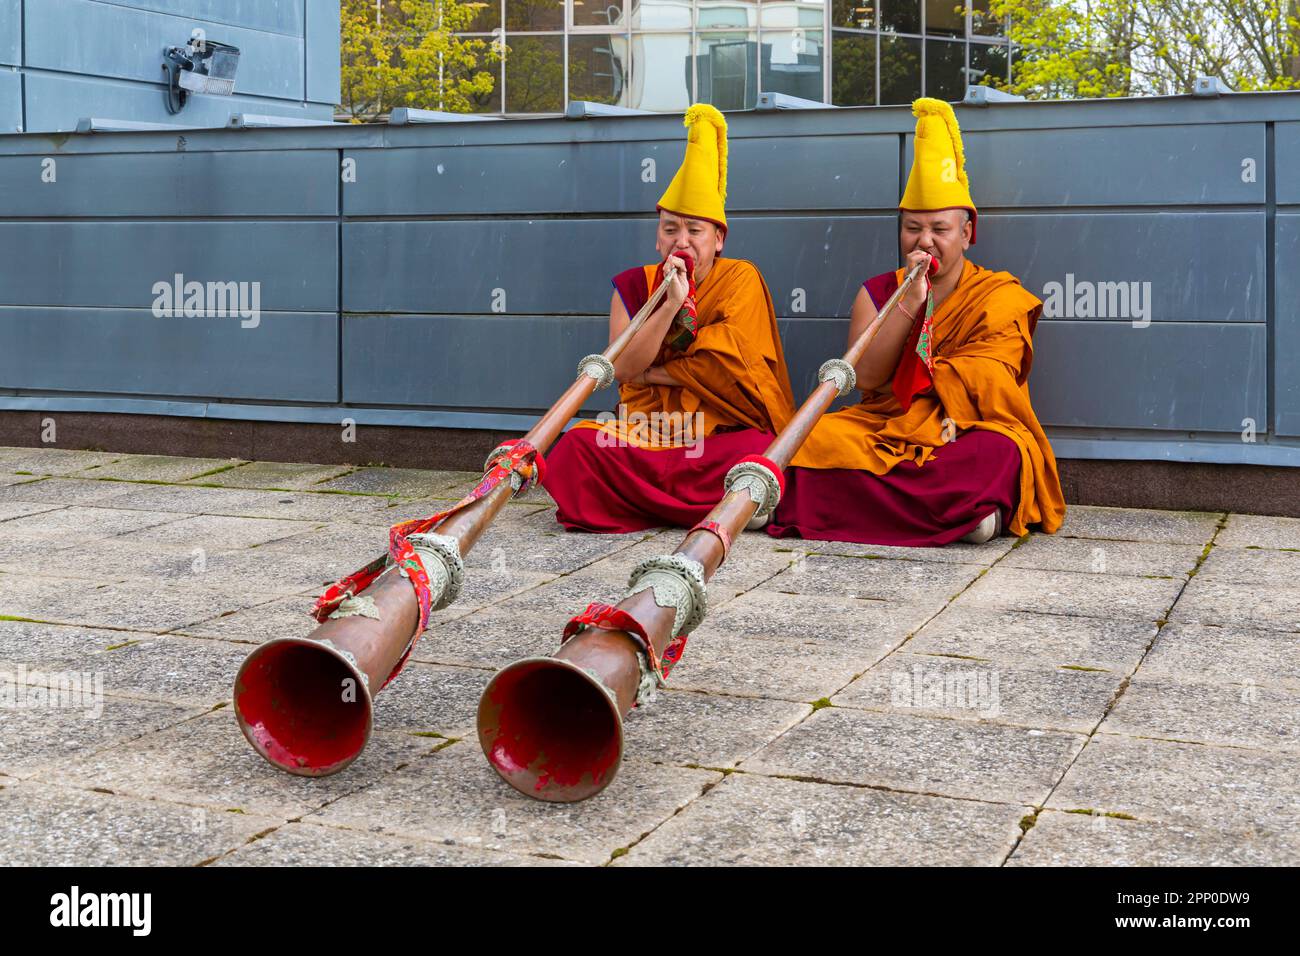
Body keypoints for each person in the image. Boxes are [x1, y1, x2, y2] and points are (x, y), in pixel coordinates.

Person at [766, 97, 1066, 547]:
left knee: (1000, 451)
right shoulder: (879, 292)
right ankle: (960, 516)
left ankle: (865, 508)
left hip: (960, 427)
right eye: (912, 228)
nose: (924, 240)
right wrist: (909, 303)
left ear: (967, 233)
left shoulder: (999, 296)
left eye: (939, 229)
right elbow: (865, 377)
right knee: (815, 437)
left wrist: (949, 413)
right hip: (884, 424)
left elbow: (993, 378)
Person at [544, 104, 797, 533]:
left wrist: (654, 374)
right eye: (670, 229)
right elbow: (621, 368)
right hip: (648, 432)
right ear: (657, 236)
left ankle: (648, 504)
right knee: (575, 448)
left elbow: (728, 365)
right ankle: (724, 506)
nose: (682, 241)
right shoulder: (634, 285)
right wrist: (666, 305)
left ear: (718, 239)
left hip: (715, 435)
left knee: (759, 450)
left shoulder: (741, 278)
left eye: (695, 231)